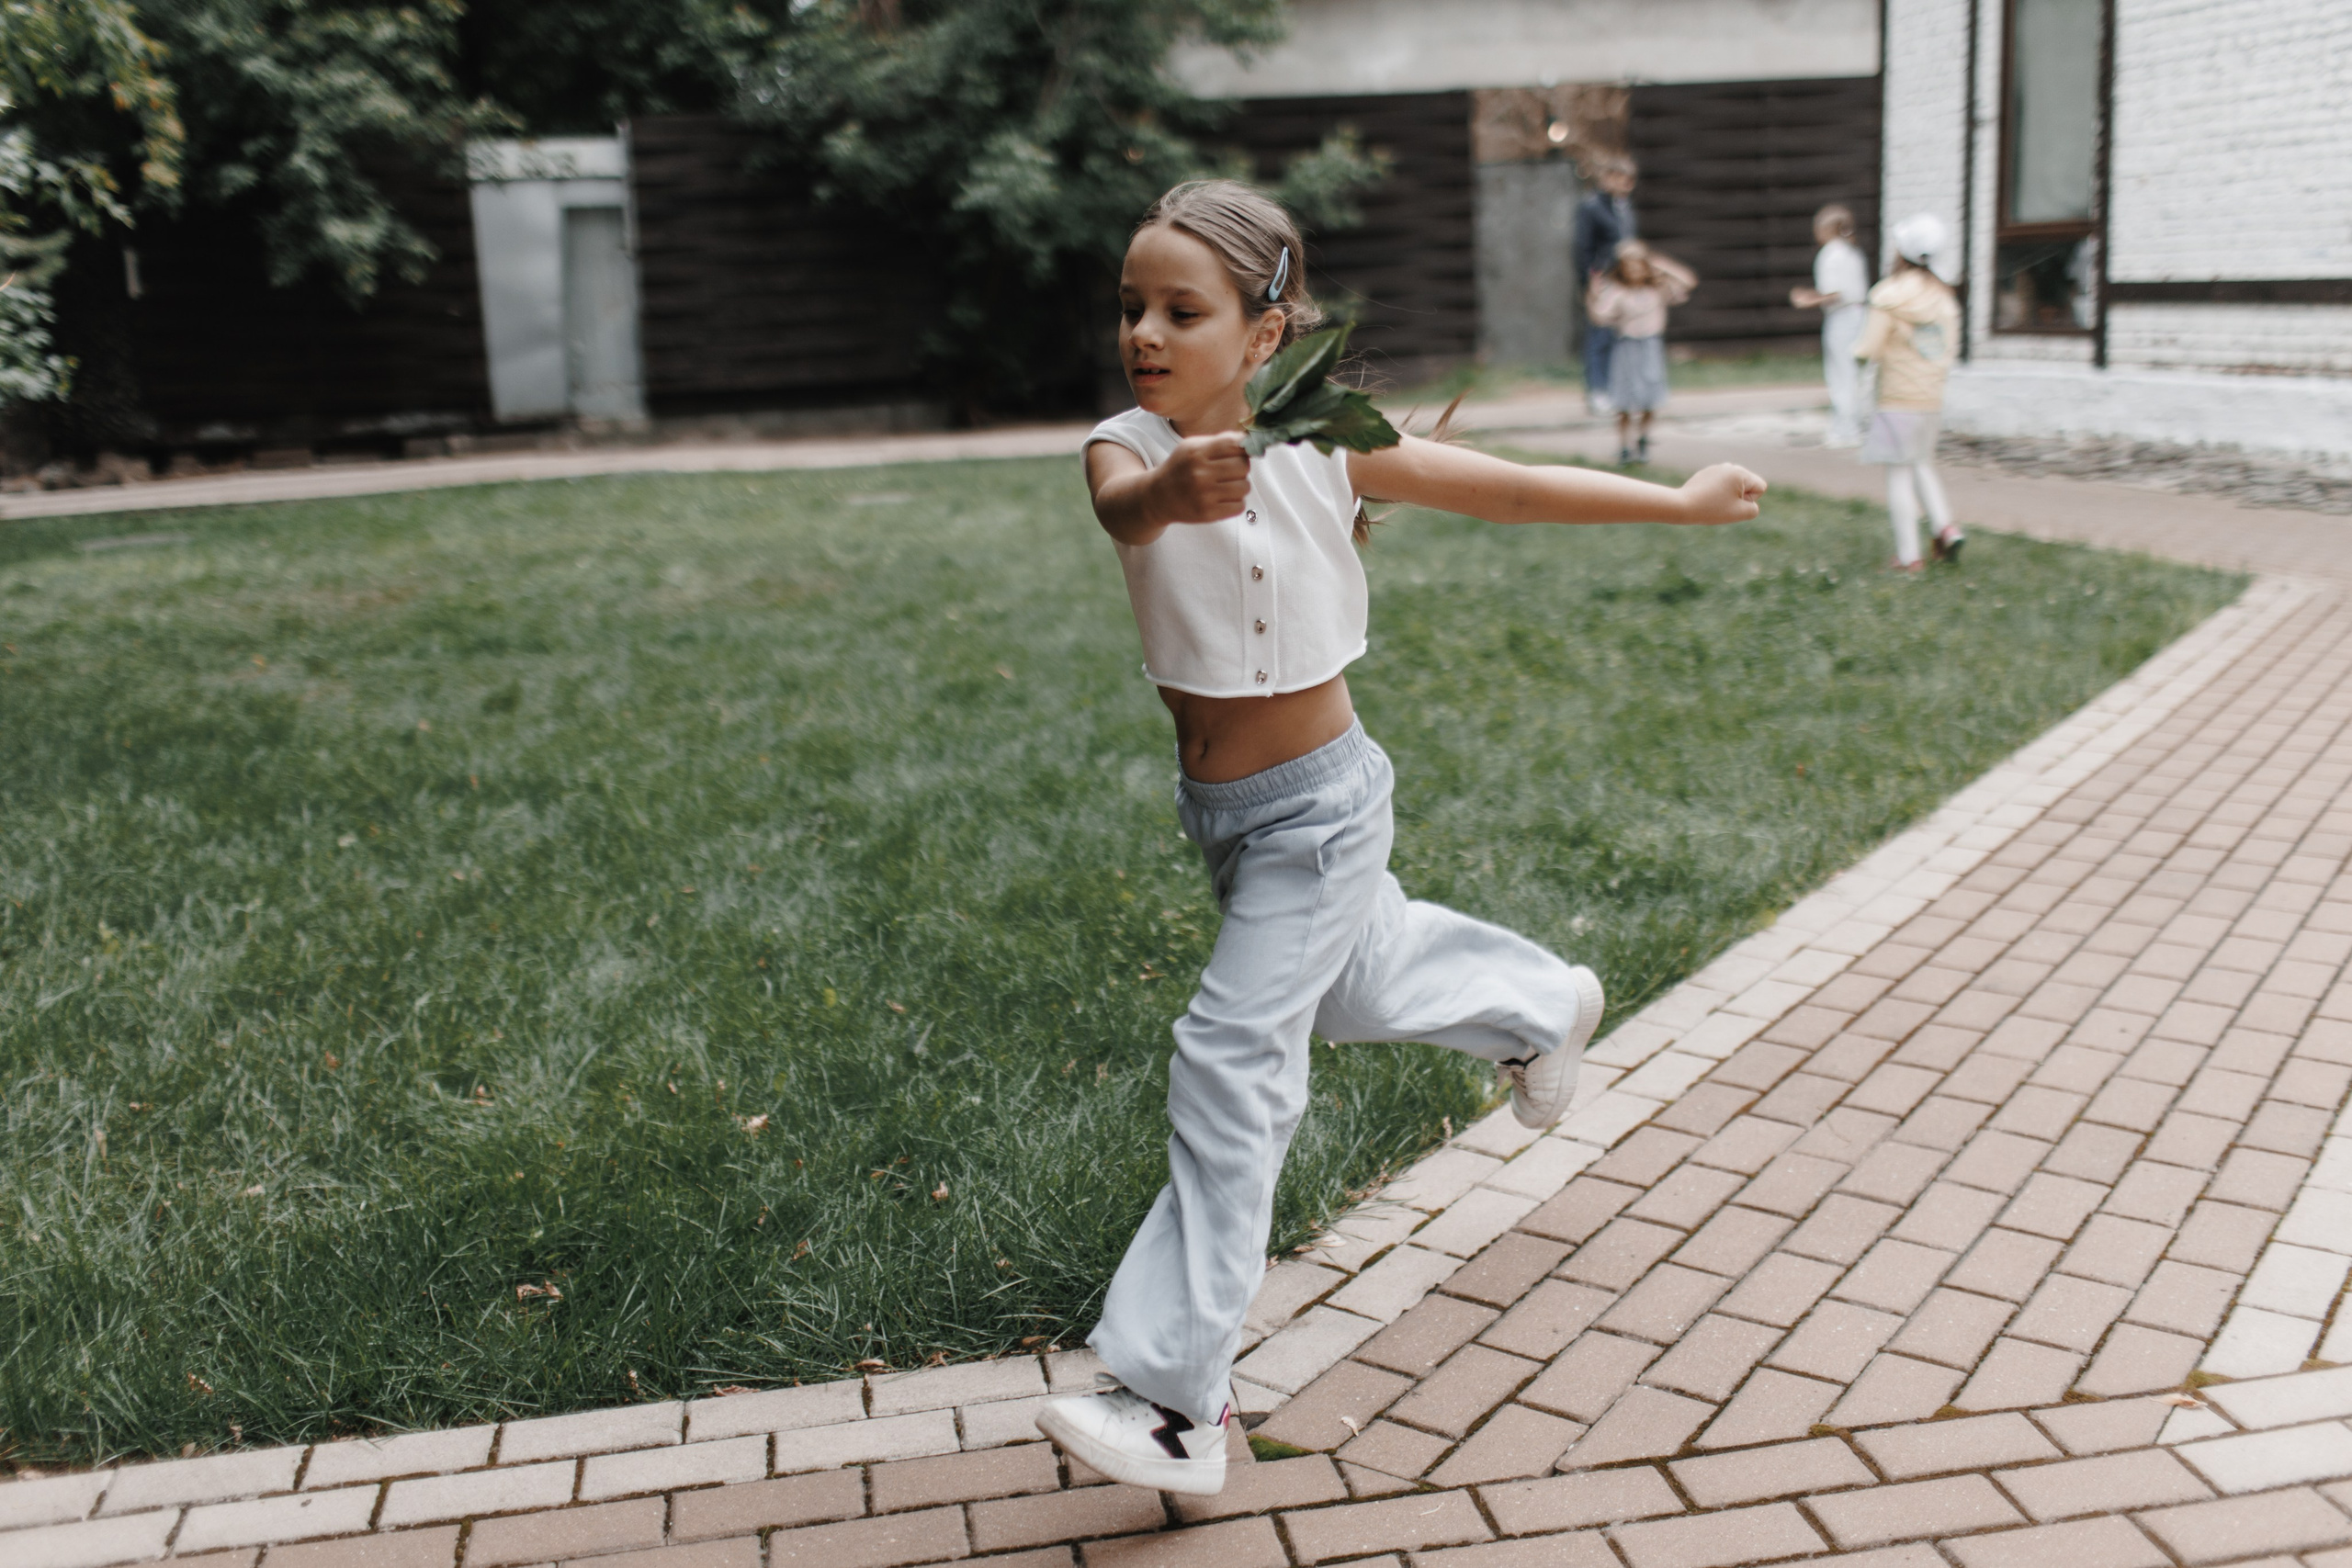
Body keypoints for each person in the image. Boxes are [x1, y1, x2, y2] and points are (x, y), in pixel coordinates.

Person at [1033, 179, 1765, 1497]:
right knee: (1356, 988)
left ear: (1264, 332)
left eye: (1181, 311)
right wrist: (1175, 488)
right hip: (1229, 816)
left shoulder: (1330, 442)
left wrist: (1682, 502)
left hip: (1323, 808)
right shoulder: (1124, 444)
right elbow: (1125, 511)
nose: (1143, 331)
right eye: (1130, 306)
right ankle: (1538, 1004)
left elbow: (1516, 491)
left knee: (1233, 1054)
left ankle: (1174, 1399)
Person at [1855, 212, 1963, 570]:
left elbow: (1868, 349)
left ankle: (1908, 556)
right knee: (1920, 462)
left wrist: (1854, 360)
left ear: (1901, 252)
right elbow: (1948, 351)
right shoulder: (1945, 299)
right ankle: (1945, 528)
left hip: (1896, 399)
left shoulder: (1888, 295)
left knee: (1899, 475)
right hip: (1930, 399)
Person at [1586, 240, 1696, 466]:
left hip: (1650, 348)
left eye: (1638, 265)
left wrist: (1661, 264)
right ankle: (1625, 446)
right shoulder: (1617, 292)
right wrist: (1593, 295)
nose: (1634, 270)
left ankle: (1643, 439)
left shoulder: (1657, 289)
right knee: (1624, 401)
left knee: (1650, 398)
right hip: (1627, 349)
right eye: (1629, 266)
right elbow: (1600, 317)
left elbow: (1688, 281)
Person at [1790, 204, 1871, 447]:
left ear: (1826, 228)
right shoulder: (1852, 252)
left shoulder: (1830, 254)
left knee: (1840, 373)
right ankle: (1850, 425)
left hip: (1842, 318)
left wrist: (1806, 299)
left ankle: (1845, 430)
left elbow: (1835, 293)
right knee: (1851, 372)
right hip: (1859, 314)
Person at [1571, 155, 1640, 413]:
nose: (1626, 185)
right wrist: (1589, 281)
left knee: (1620, 336)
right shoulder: (1592, 207)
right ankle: (1597, 390)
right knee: (1599, 335)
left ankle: (1617, 388)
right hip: (1602, 279)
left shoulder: (1624, 206)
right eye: (1621, 179)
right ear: (1608, 178)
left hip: (1625, 280)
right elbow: (1583, 248)